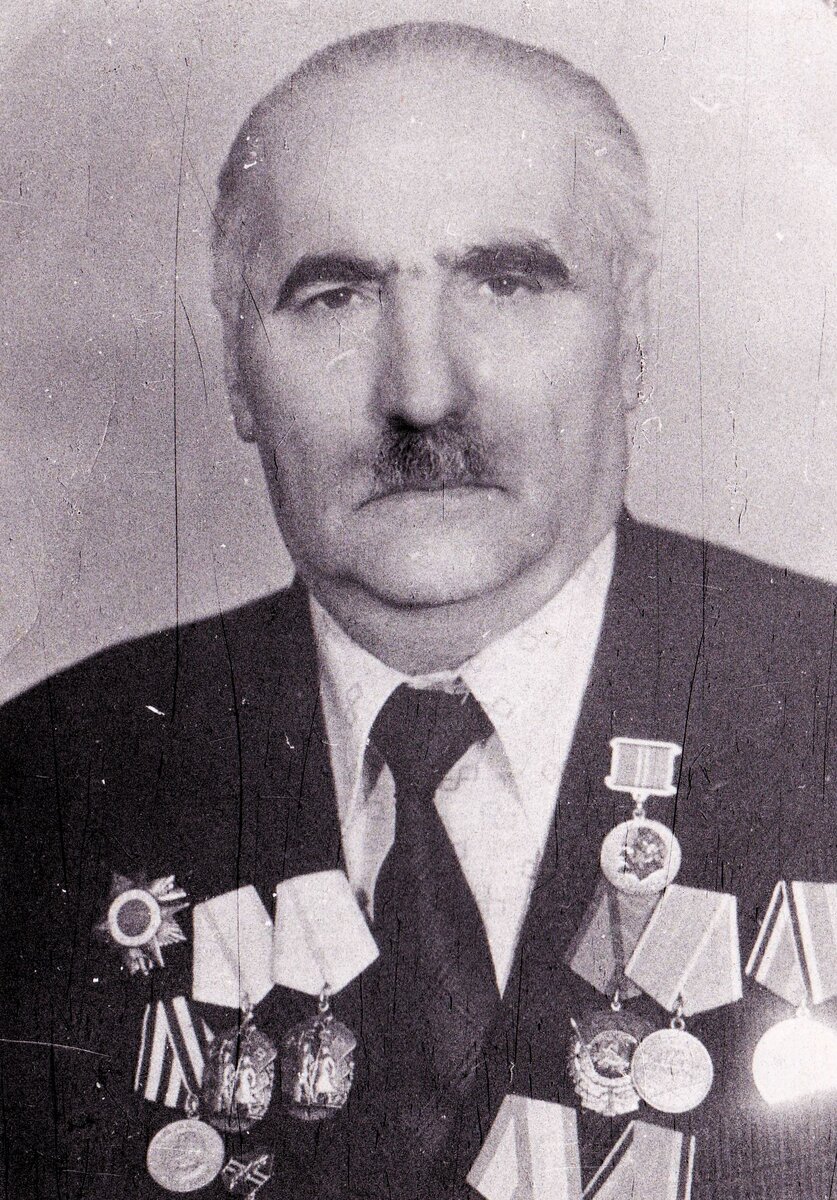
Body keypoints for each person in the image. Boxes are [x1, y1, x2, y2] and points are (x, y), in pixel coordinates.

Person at [1, 20, 835, 1200]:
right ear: (235, 371)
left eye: (506, 282)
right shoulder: (43, 790)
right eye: (335, 296)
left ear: (634, 332)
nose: (422, 392)